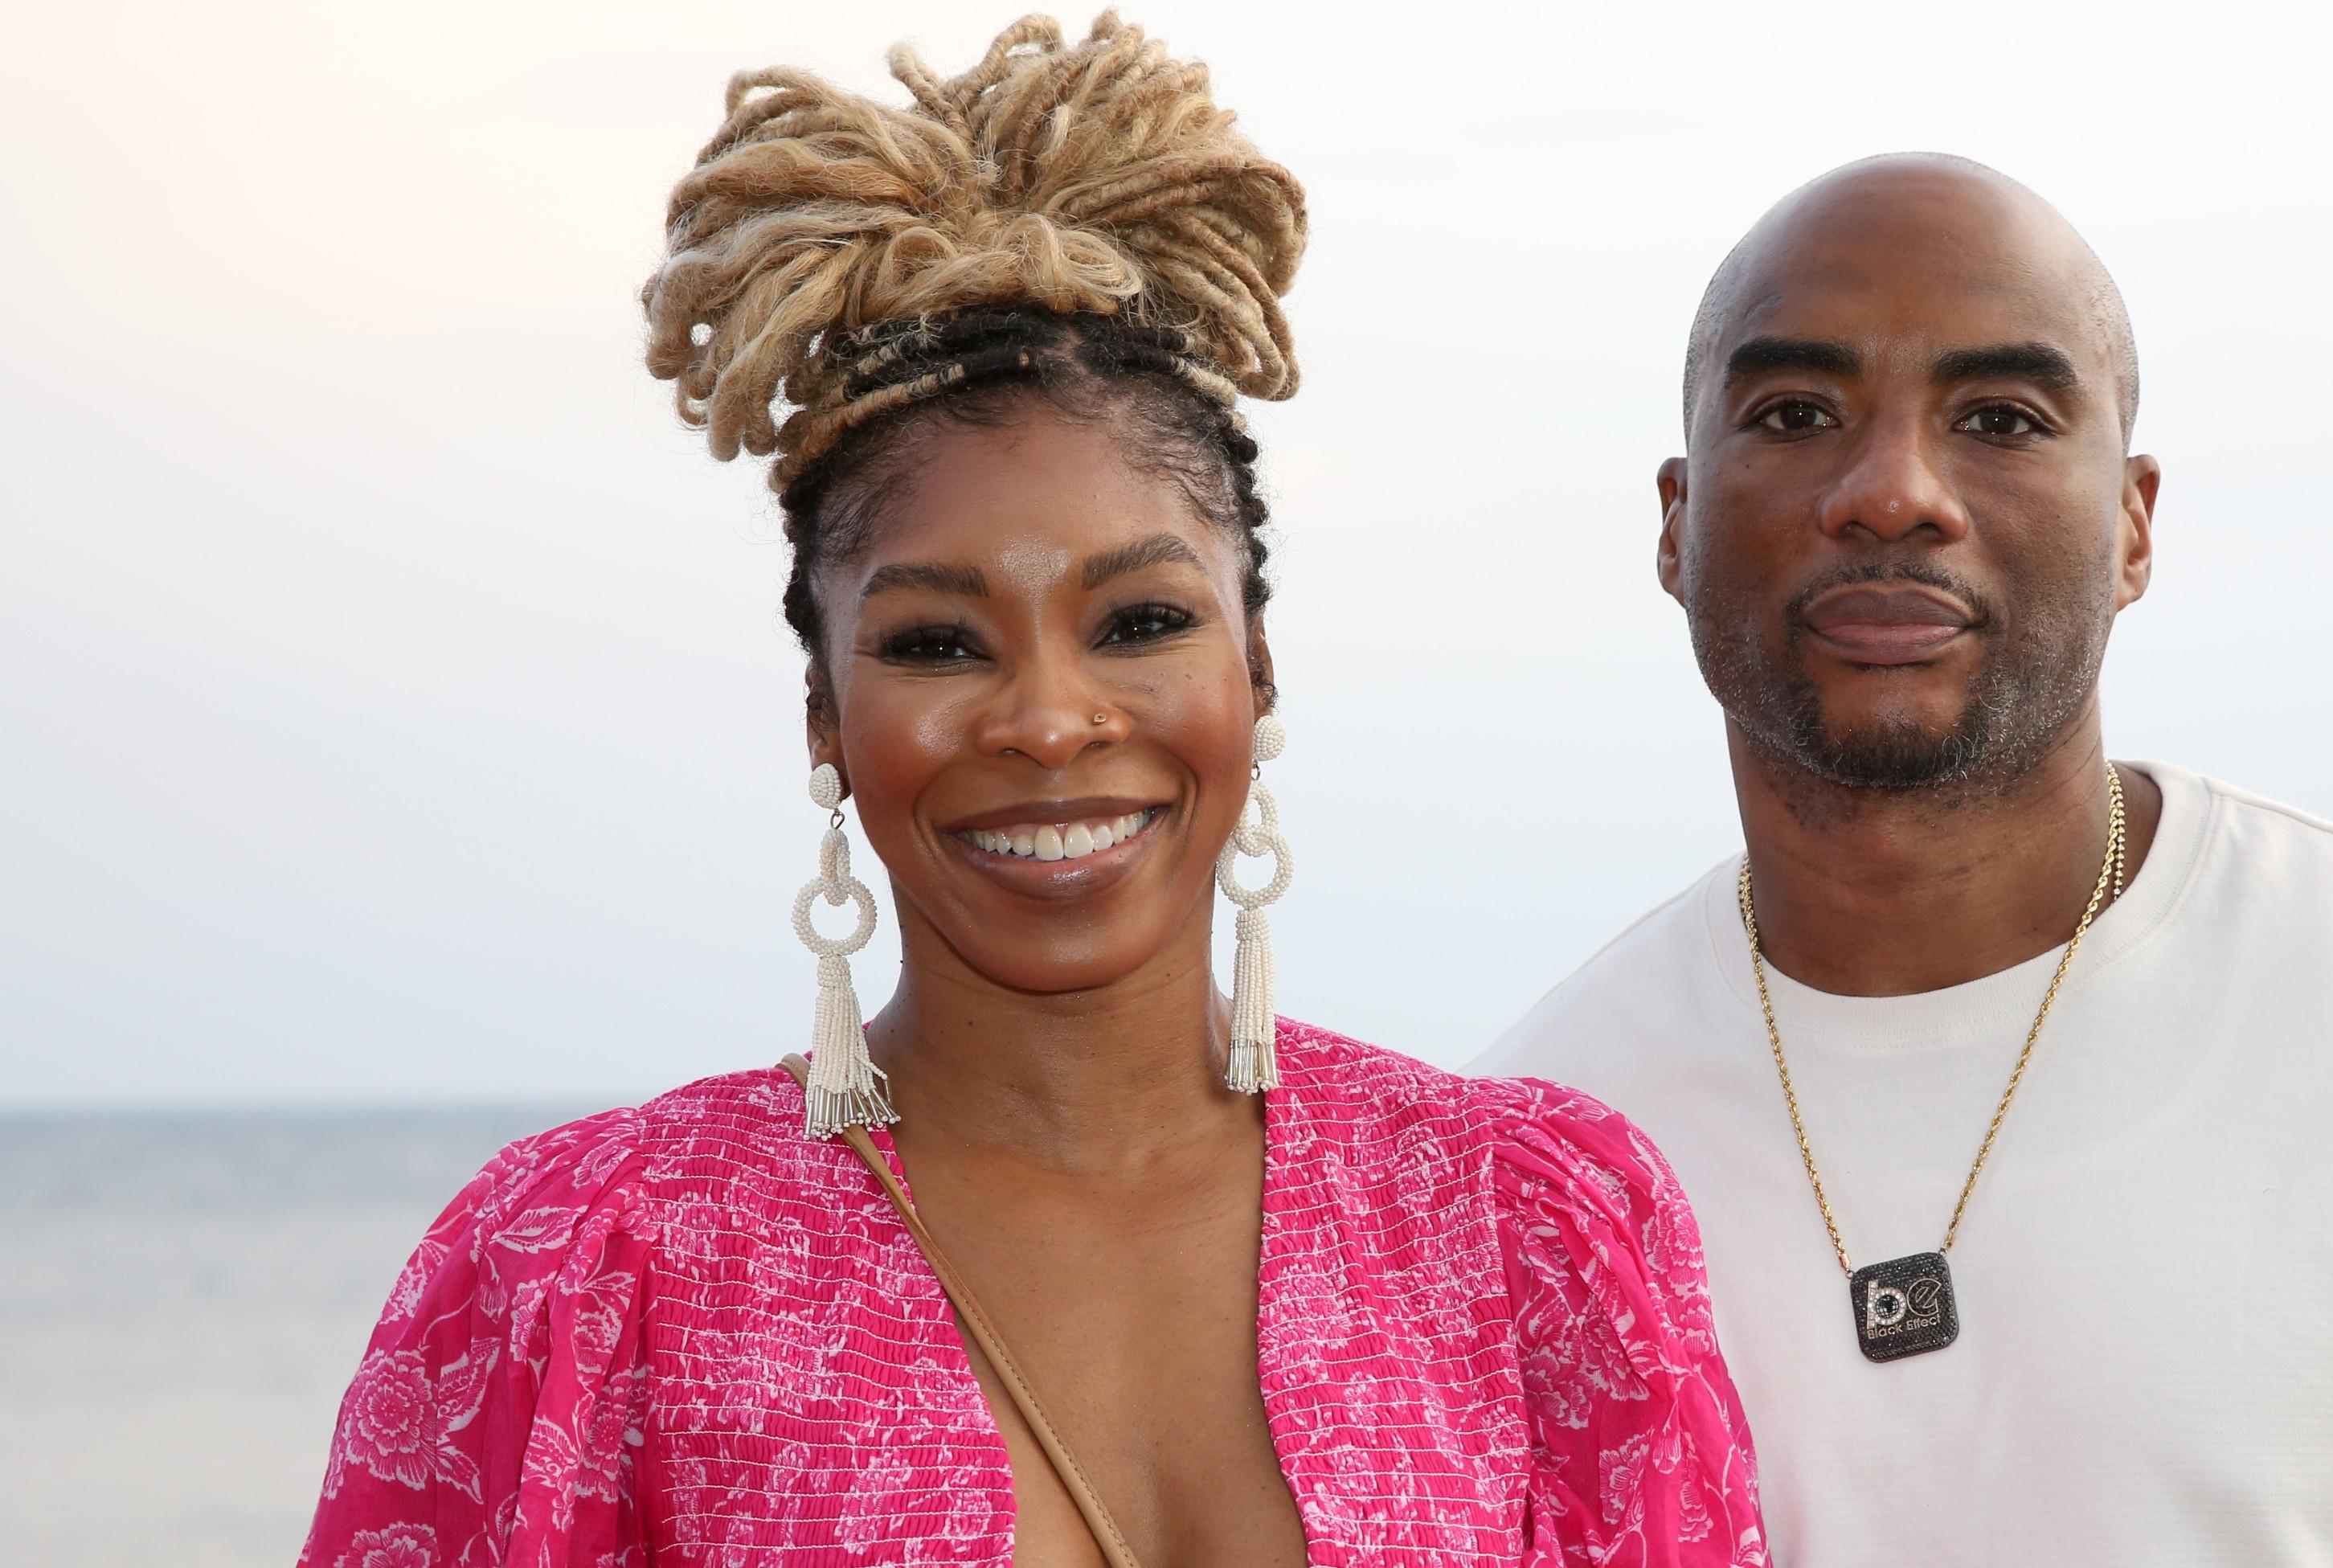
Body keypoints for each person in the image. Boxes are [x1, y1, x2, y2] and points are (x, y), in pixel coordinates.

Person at [301, 16, 1766, 1567]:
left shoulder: (1526, 1225)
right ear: (825, 715)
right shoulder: (585, 1269)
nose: (1050, 721)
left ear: (1255, 673)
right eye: (937, 643)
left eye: (1139, 623)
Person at [1477, 154, 2333, 1568]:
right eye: (1796, 414)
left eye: (1998, 417)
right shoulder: (1535, 1146)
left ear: (2130, 524)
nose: (1892, 493)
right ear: (1677, 523)